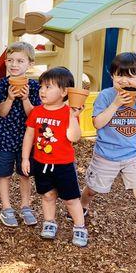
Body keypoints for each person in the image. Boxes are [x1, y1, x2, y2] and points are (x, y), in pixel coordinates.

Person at [79, 52, 136, 256]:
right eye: (120, 75)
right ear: (112, 76)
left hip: (133, 156)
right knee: (92, 189)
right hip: (105, 155)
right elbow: (97, 123)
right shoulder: (106, 96)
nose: (125, 80)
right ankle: (82, 205)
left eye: (131, 76)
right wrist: (116, 104)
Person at [21, 66, 87, 247]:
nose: (42, 91)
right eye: (41, 86)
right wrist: (26, 158)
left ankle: (80, 226)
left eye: (48, 87)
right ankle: (49, 222)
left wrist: (73, 117)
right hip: (41, 162)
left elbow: (74, 137)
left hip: (63, 164)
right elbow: (29, 135)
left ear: (64, 91)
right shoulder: (37, 111)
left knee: (71, 198)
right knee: (47, 195)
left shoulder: (68, 113)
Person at [0, 42, 41, 227]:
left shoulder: (35, 87)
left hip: (26, 141)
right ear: (5, 62)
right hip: (4, 138)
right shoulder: (1, 85)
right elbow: (1, 112)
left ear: (30, 64)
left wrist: (26, 98)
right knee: (4, 174)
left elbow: (33, 116)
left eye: (20, 61)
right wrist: (11, 98)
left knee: (24, 174)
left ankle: (25, 206)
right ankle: (6, 207)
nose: (14, 65)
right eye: (10, 60)